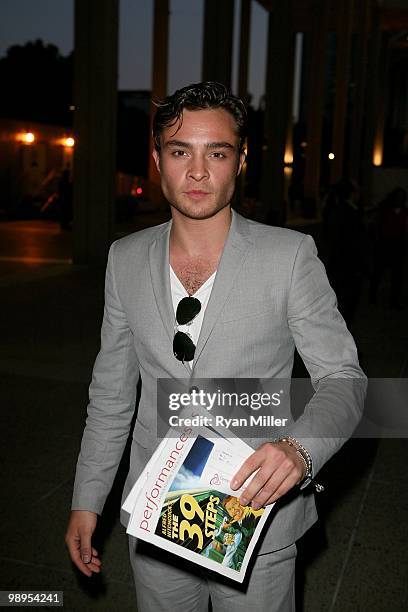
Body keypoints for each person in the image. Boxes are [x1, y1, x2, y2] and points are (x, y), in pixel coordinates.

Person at [65, 82, 366, 611]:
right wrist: (87, 500)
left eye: (217, 152)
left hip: (255, 516)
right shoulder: (125, 258)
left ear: (241, 160)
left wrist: (300, 450)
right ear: (158, 159)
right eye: (181, 151)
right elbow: (112, 394)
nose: (198, 171)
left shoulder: (289, 256)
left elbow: (343, 378)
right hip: (158, 517)